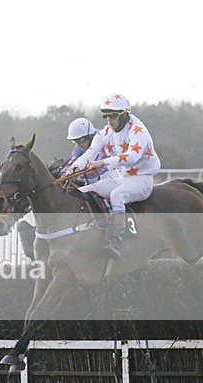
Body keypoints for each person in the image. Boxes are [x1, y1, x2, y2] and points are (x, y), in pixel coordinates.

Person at [71, 94, 161, 260]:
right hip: (124, 178)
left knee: (117, 195)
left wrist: (102, 162)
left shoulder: (138, 131)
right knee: (84, 190)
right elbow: (89, 154)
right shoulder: (106, 132)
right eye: (105, 116)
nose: (109, 120)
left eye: (112, 116)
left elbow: (132, 157)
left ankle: (115, 243)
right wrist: (71, 170)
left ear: (124, 114)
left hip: (143, 179)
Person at [59, 117, 104, 185]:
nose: (78, 145)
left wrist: (77, 176)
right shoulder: (81, 144)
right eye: (75, 142)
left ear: (89, 137)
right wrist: (62, 175)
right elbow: (72, 163)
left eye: (80, 141)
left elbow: (101, 170)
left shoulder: (103, 140)